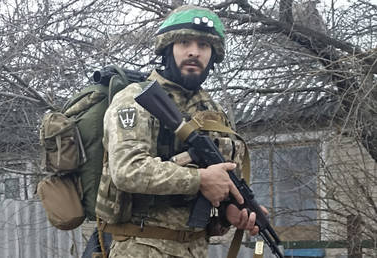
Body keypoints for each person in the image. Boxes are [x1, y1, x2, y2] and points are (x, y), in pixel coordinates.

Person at [95, 5, 266, 258]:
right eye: (184, 42)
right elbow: (127, 170)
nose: (194, 52)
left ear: (212, 56)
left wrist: (230, 212)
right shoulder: (135, 99)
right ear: (168, 48)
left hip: (195, 248)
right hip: (141, 247)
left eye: (203, 46)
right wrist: (200, 180)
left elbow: (221, 181)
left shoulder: (214, 111)